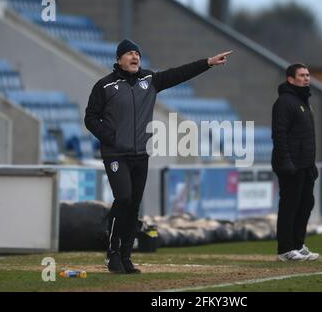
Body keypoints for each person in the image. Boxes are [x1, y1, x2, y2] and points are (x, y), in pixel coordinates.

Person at [85, 39, 232, 274]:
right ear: (119, 59)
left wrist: (208, 63)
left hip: (140, 154)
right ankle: (112, 253)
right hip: (115, 154)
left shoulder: (150, 81)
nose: (135, 57)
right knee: (122, 198)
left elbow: (179, 74)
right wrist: (111, 137)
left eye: (137, 54)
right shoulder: (104, 86)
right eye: (129, 53)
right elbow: (90, 118)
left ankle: (126, 256)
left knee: (133, 205)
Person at [271, 63, 320, 261]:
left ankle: (298, 245)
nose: (307, 78)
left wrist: (311, 164)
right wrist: (286, 162)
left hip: (305, 165)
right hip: (291, 165)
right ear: (290, 79)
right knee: (289, 206)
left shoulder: (304, 102)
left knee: (305, 204)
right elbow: (280, 134)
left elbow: (306, 137)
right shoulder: (285, 102)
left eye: (308, 75)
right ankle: (285, 249)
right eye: (302, 75)